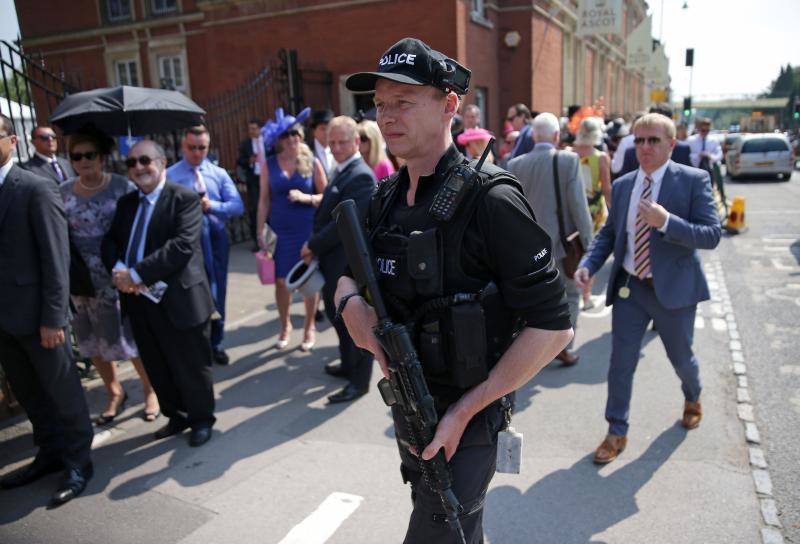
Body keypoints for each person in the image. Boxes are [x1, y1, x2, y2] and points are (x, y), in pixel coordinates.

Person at [339, 37, 573, 542]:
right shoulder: (384, 200)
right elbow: (348, 270)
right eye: (380, 104)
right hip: (410, 412)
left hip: (468, 424)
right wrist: (348, 303)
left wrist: (466, 410)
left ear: (450, 105)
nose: (386, 117)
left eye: (403, 102)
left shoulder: (492, 200)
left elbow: (553, 325)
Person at [573, 113, 721, 464]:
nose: (645, 147)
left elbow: (711, 234)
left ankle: (693, 394)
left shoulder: (693, 181)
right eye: (639, 140)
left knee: (681, 358)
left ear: (672, 144)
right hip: (631, 290)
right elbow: (610, 234)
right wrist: (588, 264)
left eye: (653, 140)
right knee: (620, 363)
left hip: (674, 292)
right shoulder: (624, 185)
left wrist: (667, 221)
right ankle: (616, 431)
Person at [0, 114, 94, 506]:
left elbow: (57, 259)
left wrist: (55, 317)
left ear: (12, 139)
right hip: (4, 321)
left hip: (41, 318)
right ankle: (49, 452)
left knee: (62, 392)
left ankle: (78, 462)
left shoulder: (34, 189)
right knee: (30, 393)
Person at [101, 140, 217, 447]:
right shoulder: (127, 204)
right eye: (131, 163)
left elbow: (180, 246)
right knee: (157, 365)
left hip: (180, 301)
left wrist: (136, 274)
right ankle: (175, 416)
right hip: (140, 303)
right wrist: (118, 270)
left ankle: (202, 419)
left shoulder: (185, 198)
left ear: (162, 162)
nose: (138, 168)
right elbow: (110, 241)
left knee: (191, 366)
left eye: (145, 161)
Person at [62, 127, 159, 424]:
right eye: (76, 156)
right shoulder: (62, 191)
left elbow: (137, 228)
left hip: (118, 277)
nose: (83, 161)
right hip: (81, 281)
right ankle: (114, 391)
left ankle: (150, 389)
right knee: (91, 339)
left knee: (129, 339)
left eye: (89, 155)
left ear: (102, 157)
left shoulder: (122, 187)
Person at [300, 116, 376, 403]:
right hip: (332, 260)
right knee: (339, 318)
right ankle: (347, 366)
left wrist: (312, 244)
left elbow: (346, 221)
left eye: (342, 141)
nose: (336, 147)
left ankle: (359, 382)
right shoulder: (343, 169)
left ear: (356, 141)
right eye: (331, 142)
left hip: (346, 262)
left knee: (355, 320)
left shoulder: (360, 174)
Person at [508, 112, 593, 366]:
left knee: (534, 302)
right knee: (570, 295)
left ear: (533, 136)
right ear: (557, 136)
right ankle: (564, 348)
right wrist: (590, 248)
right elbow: (579, 207)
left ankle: (535, 351)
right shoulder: (568, 160)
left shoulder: (515, 165)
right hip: (561, 246)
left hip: (526, 250)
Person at [167, 125, 244, 366]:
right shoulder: (170, 175)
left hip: (216, 238)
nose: (197, 153)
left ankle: (217, 342)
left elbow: (237, 205)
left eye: (202, 148)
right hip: (187, 242)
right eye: (192, 148)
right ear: (183, 146)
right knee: (193, 292)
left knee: (217, 289)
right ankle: (198, 343)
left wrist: (213, 206)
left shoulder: (218, 173)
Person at [256, 109, 327, 350]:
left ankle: (309, 327)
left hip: (306, 229)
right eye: (286, 135)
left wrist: (305, 198)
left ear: (301, 135)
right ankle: (285, 324)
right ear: (278, 139)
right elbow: (264, 200)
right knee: (280, 282)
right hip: (279, 232)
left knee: (308, 281)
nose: (291, 139)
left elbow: (326, 197)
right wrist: (259, 232)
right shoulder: (269, 165)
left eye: (295, 133)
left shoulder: (312, 161)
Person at [570, 116, 612, 311]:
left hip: (572, 210)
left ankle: (570, 292)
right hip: (594, 212)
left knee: (571, 251)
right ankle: (586, 297)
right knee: (591, 252)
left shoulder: (569, 154)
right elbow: (607, 189)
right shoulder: (601, 158)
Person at [237, 118, 266, 251]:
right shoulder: (246, 144)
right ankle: (256, 240)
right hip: (254, 179)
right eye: (250, 129)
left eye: (254, 129)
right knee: (254, 209)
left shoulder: (268, 141)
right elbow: (240, 161)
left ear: (260, 129)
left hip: (267, 178)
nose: (251, 132)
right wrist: (249, 160)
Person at [310, 109, 336, 177]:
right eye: (323, 129)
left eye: (329, 128)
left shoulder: (338, 149)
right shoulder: (308, 151)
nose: (327, 132)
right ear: (314, 131)